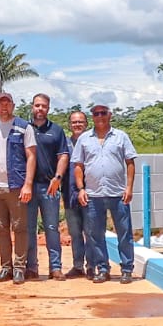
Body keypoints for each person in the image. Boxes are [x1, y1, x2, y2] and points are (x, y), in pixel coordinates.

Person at [71, 103, 139, 284]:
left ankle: (127, 269)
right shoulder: (84, 139)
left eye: (103, 113)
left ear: (110, 115)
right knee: (95, 234)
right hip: (93, 195)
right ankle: (103, 268)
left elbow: (130, 163)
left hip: (118, 194)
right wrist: (81, 189)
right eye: (96, 114)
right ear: (92, 117)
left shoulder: (121, 137)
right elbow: (78, 166)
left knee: (124, 232)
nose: (99, 116)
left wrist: (129, 187)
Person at [0, 91, 36, 284]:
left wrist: (28, 184)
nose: (4, 107)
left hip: (16, 186)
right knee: (1, 230)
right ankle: (6, 268)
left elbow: (31, 156)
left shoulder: (24, 127)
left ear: (13, 106)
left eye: (7, 103)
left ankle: (19, 268)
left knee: (20, 228)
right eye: (0, 104)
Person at [24, 93, 70, 281]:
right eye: (37, 105)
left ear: (48, 108)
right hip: (27, 188)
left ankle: (55, 267)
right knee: (29, 229)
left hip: (49, 187)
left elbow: (63, 155)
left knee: (51, 228)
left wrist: (57, 178)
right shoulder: (24, 128)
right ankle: (31, 267)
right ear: (32, 107)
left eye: (43, 106)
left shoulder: (56, 131)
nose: (40, 109)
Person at [62, 109, 90, 279]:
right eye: (74, 122)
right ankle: (78, 266)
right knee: (75, 232)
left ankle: (93, 265)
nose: (77, 124)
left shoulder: (92, 141)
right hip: (69, 193)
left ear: (86, 124)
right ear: (69, 125)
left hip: (91, 194)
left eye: (80, 122)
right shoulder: (64, 143)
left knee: (92, 231)